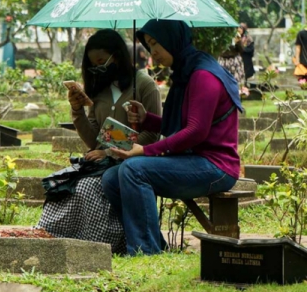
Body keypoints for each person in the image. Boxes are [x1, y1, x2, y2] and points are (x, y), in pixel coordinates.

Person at [100, 20, 243, 256]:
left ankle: (144, 252)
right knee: (111, 178)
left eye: (156, 43)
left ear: (173, 40)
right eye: (148, 45)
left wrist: (145, 151)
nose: (152, 51)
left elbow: (196, 131)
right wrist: (146, 119)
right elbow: (179, 125)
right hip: (191, 160)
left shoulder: (203, 76)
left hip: (216, 167)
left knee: (133, 169)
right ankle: (153, 245)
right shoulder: (185, 72)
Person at [36, 29, 161, 254]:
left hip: (134, 160)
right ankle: (60, 241)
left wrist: (111, 152)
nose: (98, 68)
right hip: (101, 161)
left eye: (102, 61)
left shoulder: (143, 84)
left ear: (118, 56)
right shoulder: (98, 91)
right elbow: (94, 141)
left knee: (87, 187)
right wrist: (77, 110)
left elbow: (152, 136)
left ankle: (103, 245)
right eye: (94, 64)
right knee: (62, 184)